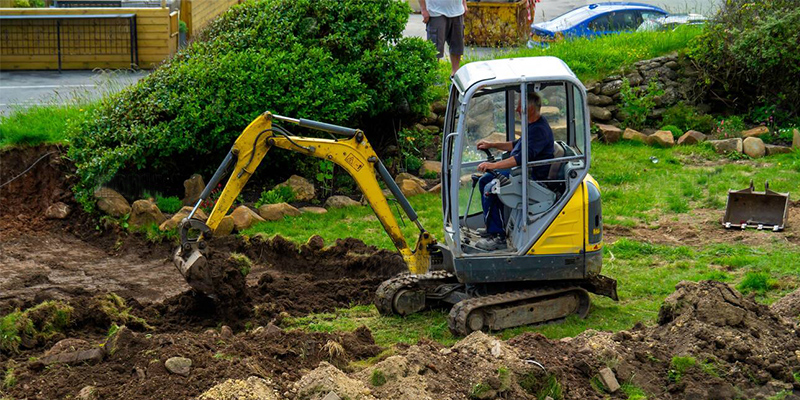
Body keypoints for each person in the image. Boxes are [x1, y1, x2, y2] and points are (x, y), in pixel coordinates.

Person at [473, 91, 554, 251]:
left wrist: (493, 165)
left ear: (529, 108)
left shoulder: (539, 130)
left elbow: (520, 159)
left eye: (519, 106)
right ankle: (492, 226)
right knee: (484, 181)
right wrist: (492, 144)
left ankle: (498, 237)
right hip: (520, 172)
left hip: (530, 177)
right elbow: (516, 145)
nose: (517, 110)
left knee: (491, 188)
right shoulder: (533, 125)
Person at [420, 0, 468, 76]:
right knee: (434, 48)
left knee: (457, 45)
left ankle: (455, 74)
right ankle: (433, 76)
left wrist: (464, 3)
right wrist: (423, 9)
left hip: (457, 11)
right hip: (436, 11)